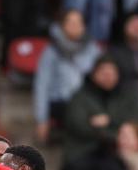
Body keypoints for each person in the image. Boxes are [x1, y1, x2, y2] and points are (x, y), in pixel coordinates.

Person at [33, 9, 101, 145]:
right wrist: (42, 119)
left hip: (88, 102)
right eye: (71, 22)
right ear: (62, 26)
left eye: (79, 22)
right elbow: (42, 85)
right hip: (61, 102)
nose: (75, 26)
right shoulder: (51, 51)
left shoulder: (93, 50)